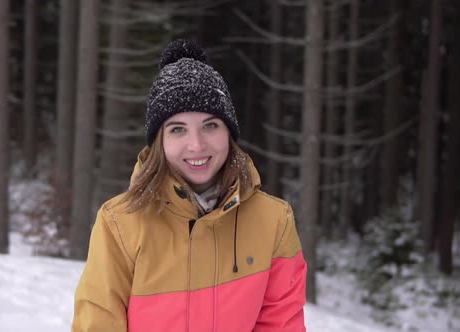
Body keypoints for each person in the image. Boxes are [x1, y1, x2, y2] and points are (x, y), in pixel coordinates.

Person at [72, 39, 307, 332]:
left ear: (229, 134)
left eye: (210, 125)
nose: (196, 145)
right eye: (178, 129)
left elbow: (281, 324)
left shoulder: (273, 220)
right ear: (160, 141)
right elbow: (98, 322)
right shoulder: (120, 222)